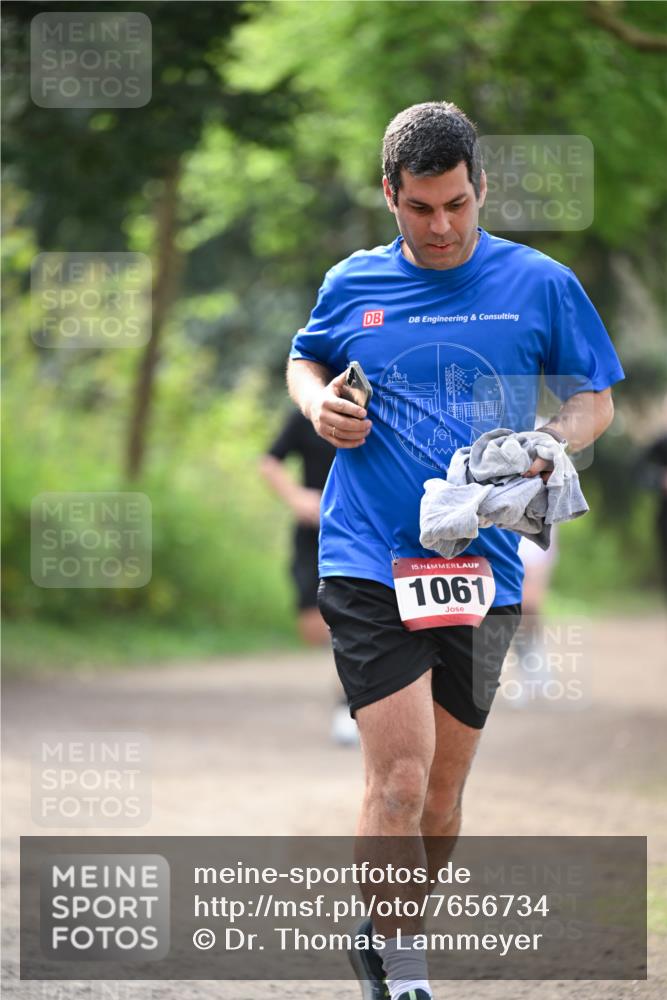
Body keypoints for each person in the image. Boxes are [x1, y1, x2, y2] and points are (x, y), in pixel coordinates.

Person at [286, 102, 624, 1000]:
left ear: (481, 189)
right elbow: (303, 359)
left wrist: (553, 437)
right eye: (420, 208)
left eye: (458, 205)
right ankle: (402, 974)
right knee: (397, 780)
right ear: (388, 194)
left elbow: (594, 398)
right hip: (365, 556)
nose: (441, 227)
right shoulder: (352, 284)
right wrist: (316, 404)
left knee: (439, 794)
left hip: (485, 570)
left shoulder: (539, 283)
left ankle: (381, 932)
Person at [260, 408, 359, 744]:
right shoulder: (307, 411)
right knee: (315, 627)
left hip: (361, 532)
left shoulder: (378, 406)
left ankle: (347, 704)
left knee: (352, 622)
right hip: (313, 534)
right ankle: (356, 685)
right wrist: (295, 497)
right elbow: (269, 461)